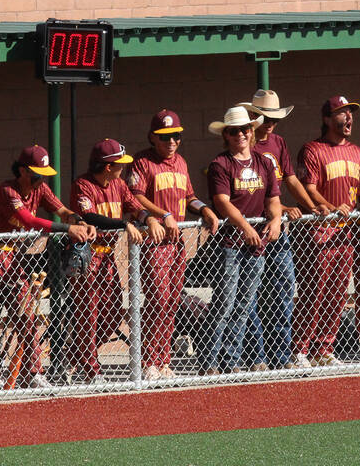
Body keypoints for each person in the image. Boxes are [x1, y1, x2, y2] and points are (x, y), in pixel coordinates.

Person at [0, 145, 95, 389]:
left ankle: (34, 372)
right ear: (22, 171)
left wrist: (79, 221)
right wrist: (66, 228)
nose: (40, 180)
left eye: (43, 175)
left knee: (27, 314)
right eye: (36, 175)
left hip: (13, 258)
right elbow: (28, 221)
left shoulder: (41, 189)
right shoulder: (9, 190)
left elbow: (61, 210)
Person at [128, 109, 218, 380]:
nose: (171, 142)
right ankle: (147, 363)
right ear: (153, 137)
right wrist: (162, 214)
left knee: (171, 302)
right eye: (165, 137)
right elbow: (134, 197)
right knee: (158, 300)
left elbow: (189, 196)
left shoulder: (180, 162)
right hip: (154, 243)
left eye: (176, 136)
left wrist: (205, 210)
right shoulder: (142, 162)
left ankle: (163, 360)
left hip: (177, 242)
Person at [291, 95, 360, 367]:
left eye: (350, 113)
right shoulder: (312, 149)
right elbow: (310, 189)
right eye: (341, 113)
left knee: (337, 292)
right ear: (327, 119)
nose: (348, 117)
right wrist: (331, 206)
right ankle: (299, 349)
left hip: (344, 233)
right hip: (318, 231)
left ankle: (323, 349)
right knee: (315, 290)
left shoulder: (357, 152)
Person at [64, 140, 155, 383]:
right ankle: (91, 370)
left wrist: (151, 220)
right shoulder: (82, 184)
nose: (122, 169)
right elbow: (90, 216)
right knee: (89, 314)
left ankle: (74, 357)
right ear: (107, 167)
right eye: (118, 165)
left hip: (107, 257)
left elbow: (136, 207)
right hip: (86, 255)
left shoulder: (119, 184)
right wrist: (124, 224)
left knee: (113, 314)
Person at [199, 106, 282, 374]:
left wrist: (276, 220)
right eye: (234, 131)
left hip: (258, 243)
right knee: (225, 302)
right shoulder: (220, 164)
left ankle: (231, 360)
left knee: (245, 304)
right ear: (226, 135)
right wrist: (245, 226)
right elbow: (222, 202)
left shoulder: (265, 162)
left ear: (252, 131)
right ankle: (209, 361)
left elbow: (273, 199)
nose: (240, 135)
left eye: (245, 129)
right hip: (231, 243)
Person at [242, 90, 306, 370]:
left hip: (277, 230)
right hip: (252, 230)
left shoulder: (278, 143)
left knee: (283, 291)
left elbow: (288, 180)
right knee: (251, 296)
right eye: (265, 118)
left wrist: (313, 205)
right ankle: (256, 357)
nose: (269, 124)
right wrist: (279, 211)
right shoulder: (245, 146)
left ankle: (281, 356)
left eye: (274, 119)